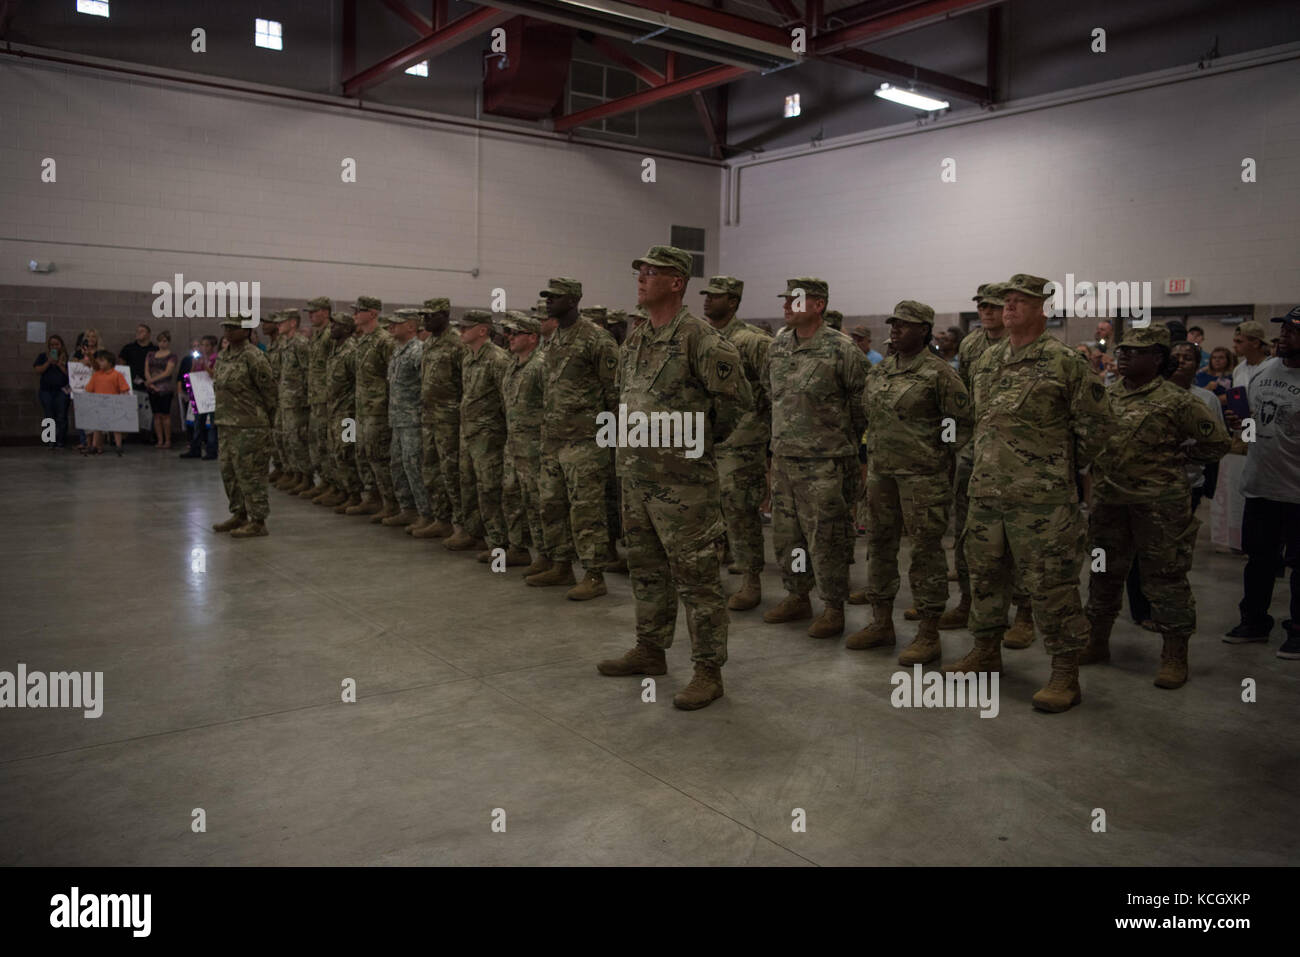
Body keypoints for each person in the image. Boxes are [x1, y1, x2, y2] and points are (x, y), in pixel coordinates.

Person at [948, 273, 1113, 713]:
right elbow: (975, 419)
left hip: (1042, 500)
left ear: (1044, 308)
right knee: (984, 577)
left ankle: (1064, 672)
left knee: (1051, 584)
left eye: (1021, 301)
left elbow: (1096, 429)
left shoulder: (1065, 363)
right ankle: (986, 652)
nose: (1009, 307)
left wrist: (1053, 470)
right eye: (1006, 301)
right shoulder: (986, 360)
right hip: (986, 493)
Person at [596, 245, 751, 710]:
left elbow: (734, 403)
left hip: (684, 486)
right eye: (639, 271)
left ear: (677, 281)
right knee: (646, 570)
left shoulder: (701, 339)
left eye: (651, 272)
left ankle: (708, 670)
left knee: (697, 578)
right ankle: (650, 648)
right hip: (636, 478)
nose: (641, 279)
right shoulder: (637, 339)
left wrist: (690, 446)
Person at [1081, 325, 1230, 688]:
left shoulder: (1177, 400)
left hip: (1160, 507)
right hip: (1110, 504)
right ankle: (1096, 641)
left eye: (1136, 351)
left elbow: (1218, 443)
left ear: (1158, 358)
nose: (1124, 356)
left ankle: (1174, 655)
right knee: (1102, 575)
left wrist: (1183, 455)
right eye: (1123, 350)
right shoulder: (1107, 395)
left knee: (1166, 579)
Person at [847, 301, 971, 663]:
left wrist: (938, 456)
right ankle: (881, 623)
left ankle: (929, 633)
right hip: (883, 473)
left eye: (905, 324)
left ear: (925, 330)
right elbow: (867, 414)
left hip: (923, 478)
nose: (896, 329)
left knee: (924, 552)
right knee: (880, 546)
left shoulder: (939, 374)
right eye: (894, 324)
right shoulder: (882, 370)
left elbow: (960, 422)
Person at [763, 277, 867, 639]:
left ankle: (833, 607)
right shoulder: (777, 346)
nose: (787, 305)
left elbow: (861, 404)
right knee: (787, 536)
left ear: (818, 305)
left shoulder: (841, 349)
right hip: (784, 459)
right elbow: (770, 397)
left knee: (826, 538)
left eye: (797, 300)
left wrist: (848, 451)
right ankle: (797, 595)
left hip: (825, 461)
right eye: (786, 299)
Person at [528, 277, 620, 600]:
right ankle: (561, 564)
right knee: (551, 504)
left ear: (573, 300)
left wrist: (609, 442)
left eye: (554, 297)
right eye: (547, 297)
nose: (548, 302)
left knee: (586, 510)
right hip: (553, 440)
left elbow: (615, 394)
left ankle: (594, 575)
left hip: (585, 441)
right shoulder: (554, 338)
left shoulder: (597, 339)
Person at [1223, 307, 1300, 657]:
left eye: (1293, 330)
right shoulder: (1266, 369)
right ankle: (1254, 620)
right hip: (1261, 485)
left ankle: (1297, 630)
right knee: (1259, 560)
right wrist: (1243, 425)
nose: (1284, 335)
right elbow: (1255, 425)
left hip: (1296, 491)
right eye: (1283, 328)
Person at [699, 276, 771, 612]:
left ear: (733, 301)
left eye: (715, 297)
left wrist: (762, 430)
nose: (707, 301)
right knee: (709, 507)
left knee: (740, 509)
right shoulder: (703, 337)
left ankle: (750, 579)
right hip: (708, 437)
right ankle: (715, 562)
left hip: (742, 440)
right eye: (706, 296)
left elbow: (775, 390)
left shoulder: (753, 341)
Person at [450, 309, 512, 562]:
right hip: (470, 434)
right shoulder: (469, 357)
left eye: (467, 327)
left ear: (483, 330)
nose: (461, 332)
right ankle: (476, 534)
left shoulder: (498, 360)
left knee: (490, 489)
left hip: (489, 437)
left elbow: (507, 401)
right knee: (469, 485)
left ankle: (500, 543)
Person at [211, 317, 277, 538]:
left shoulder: (254, 356)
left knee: (251, 474)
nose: (228, 331)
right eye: (226, 327)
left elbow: (269, 390)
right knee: (229, 472)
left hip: (250, 426)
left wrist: (266, 420)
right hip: (226, 423)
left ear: (246, 331)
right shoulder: (223, 356)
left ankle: (258, 520)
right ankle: (239, 514)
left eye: (233, 328)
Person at [410, 298, 467, 541]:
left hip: (449, 420)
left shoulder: (457, 343)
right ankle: (440, 519)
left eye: (430, 316)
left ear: (444, 315)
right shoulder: (430, 342)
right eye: (423, 316)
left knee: (452, 473)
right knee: (431, 471)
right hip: (430, 417)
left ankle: (463, 526)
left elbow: (465, 382)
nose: (425, 321)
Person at [500, 310, 547, 571]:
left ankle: (545, 555)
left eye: (515, 333)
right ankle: (517, 547)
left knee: (537, 503)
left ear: (532, 337)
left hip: (534, 448)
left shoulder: (540, 366)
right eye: (508, 333)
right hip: (514, 445)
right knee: (512, 498)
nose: (509, 338)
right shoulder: (513, 365)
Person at [348, 296, 399, 521]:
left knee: (379, 457)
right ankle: (372, 497)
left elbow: (393, 377)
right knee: (363, 454)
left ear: (373, 313)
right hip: (362, 408)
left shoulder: (385, 341)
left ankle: (391, 502)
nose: (355, 314)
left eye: (360, 310)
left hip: (378, 410)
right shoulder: (362, 341)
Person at [382, 309, 431, 529]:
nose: (391, 327)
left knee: (414, 467)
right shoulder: (398, 351)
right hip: (398, 420)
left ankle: (426, 514)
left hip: (412, 421)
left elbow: (426, 388)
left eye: (396, 323)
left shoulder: (417, 351)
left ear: (411, 326)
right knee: (398, 466)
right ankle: (408, 509)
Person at [319, 309, 363, 512]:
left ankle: (354, 495)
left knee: (346, 453)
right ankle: (342, 490)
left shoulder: (352, 351)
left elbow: (358, 383)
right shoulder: (336, 349)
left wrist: (352, 411)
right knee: (336, 452)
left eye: (335, 325)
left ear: (346, 329)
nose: (331, 328)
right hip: (335, 410)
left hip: (348, 414)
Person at [274, 309, 312, 494]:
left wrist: (305, 399)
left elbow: (307, 372)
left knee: (298, 439)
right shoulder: (284, 343)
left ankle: (306, 477)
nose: (278, 324)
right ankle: (294, 472)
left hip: (297, 401)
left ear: (293, 323)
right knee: (286, 438)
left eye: (283, 321)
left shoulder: (301, 343)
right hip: (285, 398)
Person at [301, 297, 335, 498]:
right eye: (309, 312)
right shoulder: (317, 335)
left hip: (328, 399)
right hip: (316, 398)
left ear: (325, 312)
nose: (311, 315)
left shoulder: (331, 335)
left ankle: (337, 485)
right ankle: (326, 481)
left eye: (314, 311)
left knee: (331, 443)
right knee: (318, 443)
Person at [179, 335, 220, 460]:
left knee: (213, 424)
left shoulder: (216, 358)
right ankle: (195, 448)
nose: (204, 348)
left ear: (212, 347)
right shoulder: (198, 358)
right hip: (199, 393)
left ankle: (212, 450)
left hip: (211, 394)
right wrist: (194, 364)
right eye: (202, 345)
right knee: (198, 422)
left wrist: (205, 366)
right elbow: (192, 375)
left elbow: (214, 374)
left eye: (207, 345)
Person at [83, 350, 131, 456]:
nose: (99, 363)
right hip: (99, 405)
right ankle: (95, 445)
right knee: (97, 426)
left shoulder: (117, 375)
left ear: (110, 362)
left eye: (102, 361)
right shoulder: (96, 375)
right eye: (98, 361)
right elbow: (89, 388)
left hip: (113, 405)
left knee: (116, 426)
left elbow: (124, 389)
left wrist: (125, 400)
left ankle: (119, 445)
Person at [118, 323, 157, 444]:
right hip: (131, 385)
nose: (139, 333)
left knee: (148, 411)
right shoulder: (129, 348)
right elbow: (121, 364)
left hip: (148, 384)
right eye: (137, 331)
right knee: (128, 410)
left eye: (142, 331)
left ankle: (148, 435)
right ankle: (124, 435)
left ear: (148, 334)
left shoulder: (154, 349)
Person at [33, 334, 70, 448]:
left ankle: (61, 440)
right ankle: (50, 440)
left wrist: (60, 365)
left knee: (61, 415)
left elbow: (71, 375)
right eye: (52, 345)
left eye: (57, 344)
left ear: (61, 345)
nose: (54, 347)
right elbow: (37, 370)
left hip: (62, 391)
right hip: (46, 391)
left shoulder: (66, 357)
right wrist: (48, 362)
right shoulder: (43, 356)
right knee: (49, 415)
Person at [143, 331, 177, 448]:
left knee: (165, 415)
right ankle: (160, 440)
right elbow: (147, 370)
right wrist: (150, 383)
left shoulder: (172, 356)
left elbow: (168, 372)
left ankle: (168, 440)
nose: (162, 343)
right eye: (160, 341)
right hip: (152, 388)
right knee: (156, 415)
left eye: (165, 341)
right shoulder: (150, 354)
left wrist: (151, 381)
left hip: (165, 388)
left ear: (168, 342)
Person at [1232, 320, 1271, 389]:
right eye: (1234, 341)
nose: (1234, 346)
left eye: (1239, 342)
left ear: (1255, 343)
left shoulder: (1272, 367)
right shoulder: (1238, 370)